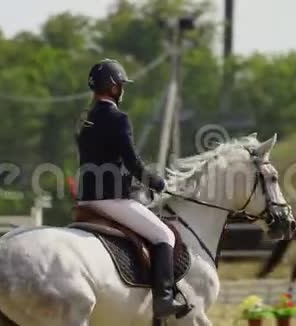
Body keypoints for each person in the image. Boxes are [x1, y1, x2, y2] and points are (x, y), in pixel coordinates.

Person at [75, 59, 191, 318]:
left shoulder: (84, 120)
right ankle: (163, 299)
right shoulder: (118, 118)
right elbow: (131, 161)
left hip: (85, 200)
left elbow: (99, 158)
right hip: (111, 200)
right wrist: (156, 182)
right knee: (164, 236)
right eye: (121, 86)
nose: (123, 90)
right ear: (114, 88)